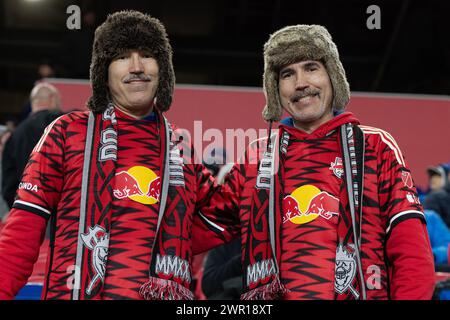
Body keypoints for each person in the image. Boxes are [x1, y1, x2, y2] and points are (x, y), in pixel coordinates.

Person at [0, 10, 238, 300]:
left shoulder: (179, 149)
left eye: (148, 55)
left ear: (162, 69)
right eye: (123, 56)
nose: (136, 66)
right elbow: (20, 237)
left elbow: (224, 216)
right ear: (104, 71)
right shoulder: (66, 133)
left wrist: (156, 241)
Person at [193, 24, 435, 300]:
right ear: (276, 89)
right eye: (287, 74)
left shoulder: (375, 146)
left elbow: (412, 253)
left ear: (332, 76)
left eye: (311, 67)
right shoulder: (256, 158)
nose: (301, 83)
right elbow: (192, 231)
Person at [2, 82, 62, 209]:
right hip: (57, 207)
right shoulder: (61, 123)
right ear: (52, 98)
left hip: (25, 206)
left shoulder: (14, 135)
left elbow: (8, 182)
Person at [425, 163, 450, 228]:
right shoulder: (427, 196)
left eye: (438, 176)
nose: (433, 179)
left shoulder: (440, 196)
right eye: (432, 176)